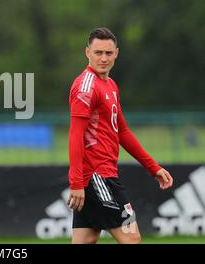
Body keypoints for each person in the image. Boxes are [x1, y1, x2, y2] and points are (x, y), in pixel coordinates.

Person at [67, 27, 174, 244]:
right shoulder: (86, 87)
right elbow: (75, 135)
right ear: (87, 52)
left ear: (117, 53)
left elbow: (122, 132)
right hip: (96, 176)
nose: (103, 58)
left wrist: (153, 167)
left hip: (103, 174)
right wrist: (76, 182)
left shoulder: (110, 86)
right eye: (98, 53)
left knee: (85, 240)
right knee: (132, 238)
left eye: (108, 53)